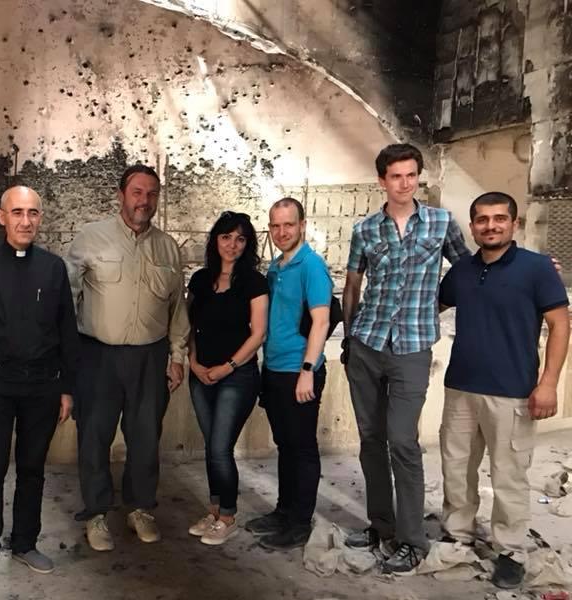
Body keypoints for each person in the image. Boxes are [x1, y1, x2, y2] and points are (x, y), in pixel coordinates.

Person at [341, 143, 472, 572]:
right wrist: (348, 338)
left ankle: (413, 540)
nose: (404, 183)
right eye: (395, 176)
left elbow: (468, 271)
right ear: (382, 181)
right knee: (370, 441)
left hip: (413, 348)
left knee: (403, 442)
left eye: (411, 175)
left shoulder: (439, 223)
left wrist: (433, 307)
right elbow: (354, 285)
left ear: (419, 177)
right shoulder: (365, 230)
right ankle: (382, 525)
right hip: (366, 344)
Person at [438, 192, 569, 589]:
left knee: (509, 474)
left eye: (499, 219)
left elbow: (560, 326)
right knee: (456, 469)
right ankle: (457, 535)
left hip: (513, 391)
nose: (490, 226)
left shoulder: (537, 269)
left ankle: (510, 550)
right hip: (460, 387)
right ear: (473, 225)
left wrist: (548, 384)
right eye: (481, 220)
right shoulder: (461, 271)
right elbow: (431, 307)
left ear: (514, 223)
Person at [0, 186, 80, 582]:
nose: (26, 221)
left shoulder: (54, 267)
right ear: (1, 217)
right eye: (18, 212)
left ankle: (25, 542)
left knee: (32, 469)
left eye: (33, 213)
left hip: (42, 386)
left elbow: (67, 331)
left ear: (41, 217)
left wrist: (66, 387)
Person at [66, 164, 190, 551]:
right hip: (97, 357)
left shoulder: (168, 247)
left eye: (152, 193)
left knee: (145, 438)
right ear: (121, 195)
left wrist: (177, 356)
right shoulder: (90, 237)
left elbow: (177, 310)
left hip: (150, 359)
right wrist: (65, 359)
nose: (144, 201)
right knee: (94, 436)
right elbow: (66, 299)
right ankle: (97, 513)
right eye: (137, 192)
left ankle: (140, 507)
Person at [246, 198, 333, 550]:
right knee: (286, 446)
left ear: (302, 225)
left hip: (301, 371)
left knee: (302, 448)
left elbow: (322, 320)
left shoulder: (311, 266)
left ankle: (300, 522)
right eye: (275, 226)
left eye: (289, 225)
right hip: (276, 369)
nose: (282, 232)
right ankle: (284, 511)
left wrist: (308, 371)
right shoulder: (277, 268)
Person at [185, 210, 268, 546]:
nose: (232, 245)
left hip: (238, 376)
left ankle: (229, 517)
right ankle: (214, 510)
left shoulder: (253, 282)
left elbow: (258, 333)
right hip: (201, 374)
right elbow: (189, 326)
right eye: (226, 237)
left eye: (240, 238)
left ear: (247, 244)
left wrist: (229, 367)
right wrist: (192, 362)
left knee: (220, 448)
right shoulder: (201, 280)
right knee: (211, 448)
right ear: (215, 240)